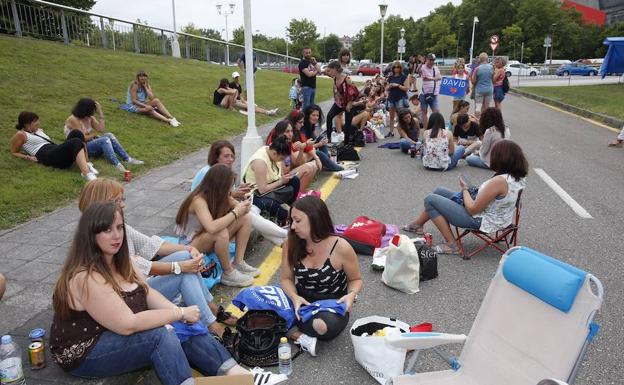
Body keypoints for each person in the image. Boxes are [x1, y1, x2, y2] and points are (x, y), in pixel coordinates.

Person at [50, 202, 284, 385]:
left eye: (119, 227)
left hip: (112, 331)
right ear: (90, 235)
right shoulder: (86, 276)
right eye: (106, 230)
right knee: (162, 334)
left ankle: (240, 375)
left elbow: (147, 293)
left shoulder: (120, 261)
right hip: (86, 352)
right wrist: (177, 313)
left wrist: (179, 315)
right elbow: (128, 324)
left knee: (182, 325)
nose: (116, 235)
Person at [78, 179, 237, 337]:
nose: (123, 204)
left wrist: (189, 248)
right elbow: (137, 266)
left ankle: (210, 311)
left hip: (139, 287)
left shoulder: (118, 226)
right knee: (184, 273)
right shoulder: (95, 239)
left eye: (122, 199)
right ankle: (211, 321)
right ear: (100, 204)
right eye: (117, 200)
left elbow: (153, 245)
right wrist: (179, 267)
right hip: (129, 300)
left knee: (186, 259)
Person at [403, 140, 527, 254]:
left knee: (431, 200)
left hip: (481, 220)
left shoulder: (499, 181)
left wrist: (465, 189)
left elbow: (472, 209)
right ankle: (417, 225)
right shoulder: (517, 177)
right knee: (439, 191)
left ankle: (452, 245)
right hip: (500, 218)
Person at [280, 196, 363, 356]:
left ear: (315, 219)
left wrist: (351, 295)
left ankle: (288, 328)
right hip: (301, 299)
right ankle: (299, 334)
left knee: (322, 326)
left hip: (330, 303)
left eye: (297, 221)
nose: (292, 227)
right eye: (292, 220)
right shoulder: (290, 243)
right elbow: (286, 279)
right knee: (262, 300)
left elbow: (356, 280)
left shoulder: (341, 247)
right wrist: (294, 296)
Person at [191, 140, 288, 246]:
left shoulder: (224, 172)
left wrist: (237, 192)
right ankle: (286, 235)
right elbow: (209, 198)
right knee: (249, 215)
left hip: (217, 209)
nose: (230, 160)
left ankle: (284, 242)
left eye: (232, 156)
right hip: (207, 216)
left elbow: (223, 196)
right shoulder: (210, 173)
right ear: (216, 157)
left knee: (250, 213)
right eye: (226, 156)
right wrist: (235, 198)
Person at [176, 165, 257, 287]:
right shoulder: (198, 200)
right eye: (229, 186)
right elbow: (212, 227)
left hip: (203, 239)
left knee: (245, 218)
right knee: (220, 232)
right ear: (219, 185)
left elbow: (243, 212)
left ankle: (238, 262)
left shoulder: (219, 196)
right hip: (189, 245)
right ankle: (228, 273)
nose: (231, 190)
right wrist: (236, 212)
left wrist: (242, 205)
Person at [10, 111, 97, 181]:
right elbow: (13, 152)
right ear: (27, 124)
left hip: (53, 150)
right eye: (35, 121)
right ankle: (86, 173)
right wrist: (26, 157)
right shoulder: (21, 134)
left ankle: (86, 163)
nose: (38, 123)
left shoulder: (38, 131)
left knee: (76, 133)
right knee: (76, 141)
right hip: (45, 155)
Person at [64, 98, 143, 173]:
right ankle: (117, 164)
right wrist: (94, 135)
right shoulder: (73, 119)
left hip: (89, 144)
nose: (94, 112)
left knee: (109, 135)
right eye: (93, 110)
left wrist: (101, 113)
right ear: (86, 110)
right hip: (81, 149)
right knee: (104, 139)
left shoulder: (89, 118)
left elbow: (101, 129)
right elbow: (83, 138)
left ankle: (127, 158)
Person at [243, 135, 299, 226]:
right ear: (274, 153)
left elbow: (279, 173)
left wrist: (284, 178)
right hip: (255, 194)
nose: (281, 161)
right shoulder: (260, 162)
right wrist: (281, 181)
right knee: (271, 204)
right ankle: (285, 219)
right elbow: (262, 189)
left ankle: (290, 207)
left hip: (269, 187)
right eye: (281, 159)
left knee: (295, 181)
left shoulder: (271, 151)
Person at [266, 120, 319, 192]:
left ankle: (300, 193)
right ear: (279, 134)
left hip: (285, 176)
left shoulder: (288, 143)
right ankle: (299, 195)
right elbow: (283, 170)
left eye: (291, 131)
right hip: (278, 181)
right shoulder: (276, 147)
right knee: (308, 167)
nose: (291, 134)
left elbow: (298, 163)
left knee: (313, 165)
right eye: (287, 132)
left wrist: (301, 149)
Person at [325, 61, 359, 145]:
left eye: (330, 70)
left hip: (348, 104)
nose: (329, 73)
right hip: (339, 103)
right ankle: (329, 138)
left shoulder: (346, 79)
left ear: (335, 69)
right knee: (329, 116)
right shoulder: (334, 78)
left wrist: (350, 103)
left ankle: (346, 144)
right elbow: (326, 71)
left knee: (347, 125)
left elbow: (355, 92)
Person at [213, 78, 278, 116]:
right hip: (221, 104)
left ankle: (268, 112)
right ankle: (231, 107)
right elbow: (233, 92)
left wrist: (236, 99)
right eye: (227, 84)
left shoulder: (225, 89)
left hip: (227, 102)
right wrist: (230, 89)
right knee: (230, 93)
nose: (228, 85)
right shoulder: (221, 89)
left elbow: (236, 91)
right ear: (224, 84)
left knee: (248, 106)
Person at [385, 61, 410, 137]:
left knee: (401, 116)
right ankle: (391, 131)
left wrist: (398, 85)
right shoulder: (391, 77)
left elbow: (406, 88)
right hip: (392, 98)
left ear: (400, 68)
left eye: (398, 67)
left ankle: (403, 132)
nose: (396, 69)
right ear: (392, 68)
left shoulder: (403, 77)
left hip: (400, 98)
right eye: (395, 67)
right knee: (391, 116)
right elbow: (386, 88)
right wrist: (390, 86)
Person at [419, 53, 442, 131]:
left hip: (434, 94)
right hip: (424, 94)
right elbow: (420, 74)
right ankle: (426, 130)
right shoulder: (423, 67)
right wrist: (434, 78)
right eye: (430, 60)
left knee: (436, 112)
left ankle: (435, 129)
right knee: (424, 111)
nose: (432, 62)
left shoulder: (435, 68)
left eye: (433, 60)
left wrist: (430, 78)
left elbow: (439, 77)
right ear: (427, 60)